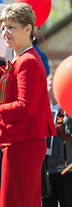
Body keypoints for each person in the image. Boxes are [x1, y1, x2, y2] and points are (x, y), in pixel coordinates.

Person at [0, 3, 56, 207]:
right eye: (3, 27)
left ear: (28, 29)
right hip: (20, 141)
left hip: (24, 143)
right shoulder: (19, 59)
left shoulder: (27, 61)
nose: (5, 33)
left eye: (11, 27)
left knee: (16, 202)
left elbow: (24, 106)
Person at [42, 75, 72, 207]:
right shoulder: (42, 109)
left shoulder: (67, 109)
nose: (50, 88)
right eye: (48, 85)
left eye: (52, 85)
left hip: (65, 169)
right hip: (47, 169)